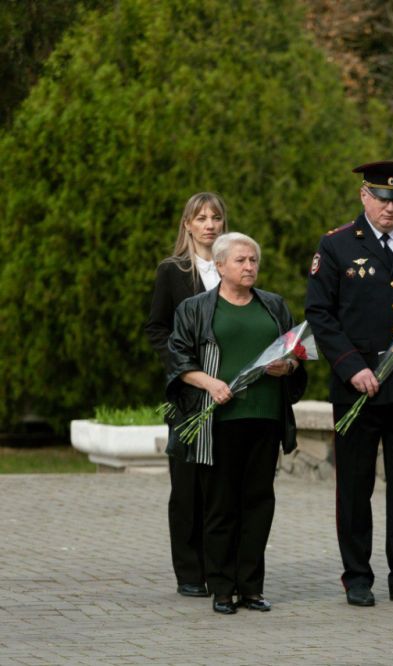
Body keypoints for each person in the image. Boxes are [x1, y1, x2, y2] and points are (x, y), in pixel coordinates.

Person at [305, 161, 393, 608]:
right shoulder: (337, 244)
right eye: (382, 198)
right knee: (354, 487)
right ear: (364, 196)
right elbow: (320, 313)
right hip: (356, 389)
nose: (389, 207)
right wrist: (350, 367)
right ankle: (358, 576)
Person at [166, 232, 307, 615]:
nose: (249, 267)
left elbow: (297, 352)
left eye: (253, 260)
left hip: (266, 418)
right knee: (221, 505)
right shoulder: (196, 309)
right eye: (241, 260)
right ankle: (222, 588)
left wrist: (288, 366)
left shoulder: (273, 305)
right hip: (219, 420)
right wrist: (210, 384)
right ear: (221, 266)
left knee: (258, 504)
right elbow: (179, 360)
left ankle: (251, 588)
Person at [144, 192, 228, 599]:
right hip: (189, 395)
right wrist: (184, 368)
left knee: (220, 486)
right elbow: (157, 328)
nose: (209, 225)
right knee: (188, 486)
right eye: (201, 218)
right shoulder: (172, 271)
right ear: (188, 225)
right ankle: (190, 572)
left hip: (227, 392)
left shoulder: (233, 267)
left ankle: (220, 567)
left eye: (215, 217)